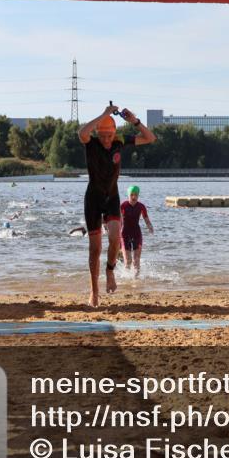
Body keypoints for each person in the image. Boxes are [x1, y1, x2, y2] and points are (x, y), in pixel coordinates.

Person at [79, 104, 156, 307]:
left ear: (114, 134)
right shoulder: (91, 143)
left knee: (115, 239)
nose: (106, 140)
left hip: (112, 197)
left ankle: (110, 271)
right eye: (102, 136)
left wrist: (135, 122)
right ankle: (94, 292)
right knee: (94, 249)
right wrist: (104, 113)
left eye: (109, 136)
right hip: (93, 200)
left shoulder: (119, 142)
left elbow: (150, 138)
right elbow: (82, 132)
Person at [120, 184, 154, 278]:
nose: (134, 197)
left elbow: (146, 218)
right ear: (128, 195)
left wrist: (150, 227)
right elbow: (117, 219)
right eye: (132, 194)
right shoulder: (123, 205)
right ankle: (125, 279)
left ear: (138, 195)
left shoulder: (141, 206)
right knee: (128, 261)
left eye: (136, 194)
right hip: (124, 234)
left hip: (136, 234)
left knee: (136, 260)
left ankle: (136, 280)